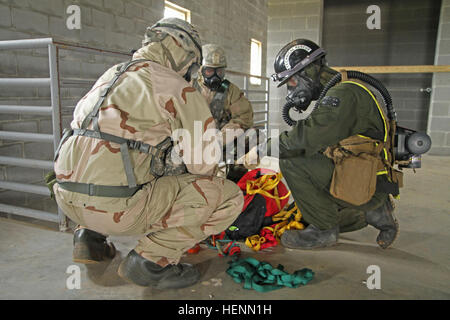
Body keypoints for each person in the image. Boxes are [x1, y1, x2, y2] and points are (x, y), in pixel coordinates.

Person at [52, 17, 244, 289]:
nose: (193, 71)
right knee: (227, 196)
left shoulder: (112, 74)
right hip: (119, 208)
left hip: (68, 200)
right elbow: (203, 166)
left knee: (108, 159)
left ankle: (88, 239)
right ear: (183, 52)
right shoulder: (176, 86)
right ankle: (150, 261)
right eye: (193, 64)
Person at [243, 39, 400, 250]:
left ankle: (324, 230)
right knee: (308, 202)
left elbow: (305, 138)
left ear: (307, 72)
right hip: (371, 176)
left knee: (292, 162)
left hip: (366, 179)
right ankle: (376, 211)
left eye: (291, 82)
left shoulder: (343, 95)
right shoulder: (343, 88)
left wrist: (261, 150)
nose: (291, 90)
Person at [192, 44, 254, 179]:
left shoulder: (230, 90)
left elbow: (243, 118)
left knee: (251, 137)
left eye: (219, 72)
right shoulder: (189, 87)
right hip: (192, 139)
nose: (215, 76)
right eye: (209, 71)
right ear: (201, 70)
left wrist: (220, 139)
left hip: (221, 139)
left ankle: (236, 182)